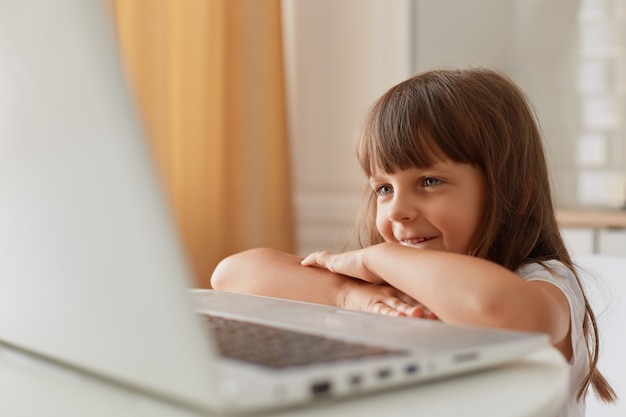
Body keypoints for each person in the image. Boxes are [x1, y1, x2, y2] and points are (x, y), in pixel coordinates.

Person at [211, 67, 616, 415]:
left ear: (514, 192)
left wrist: (381, 258)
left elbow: (500, 312)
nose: (396, 210)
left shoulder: (545, 281)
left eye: (429, 181)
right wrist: (350, 296)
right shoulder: (386, 290)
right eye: (383, 188)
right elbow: (232, 275)